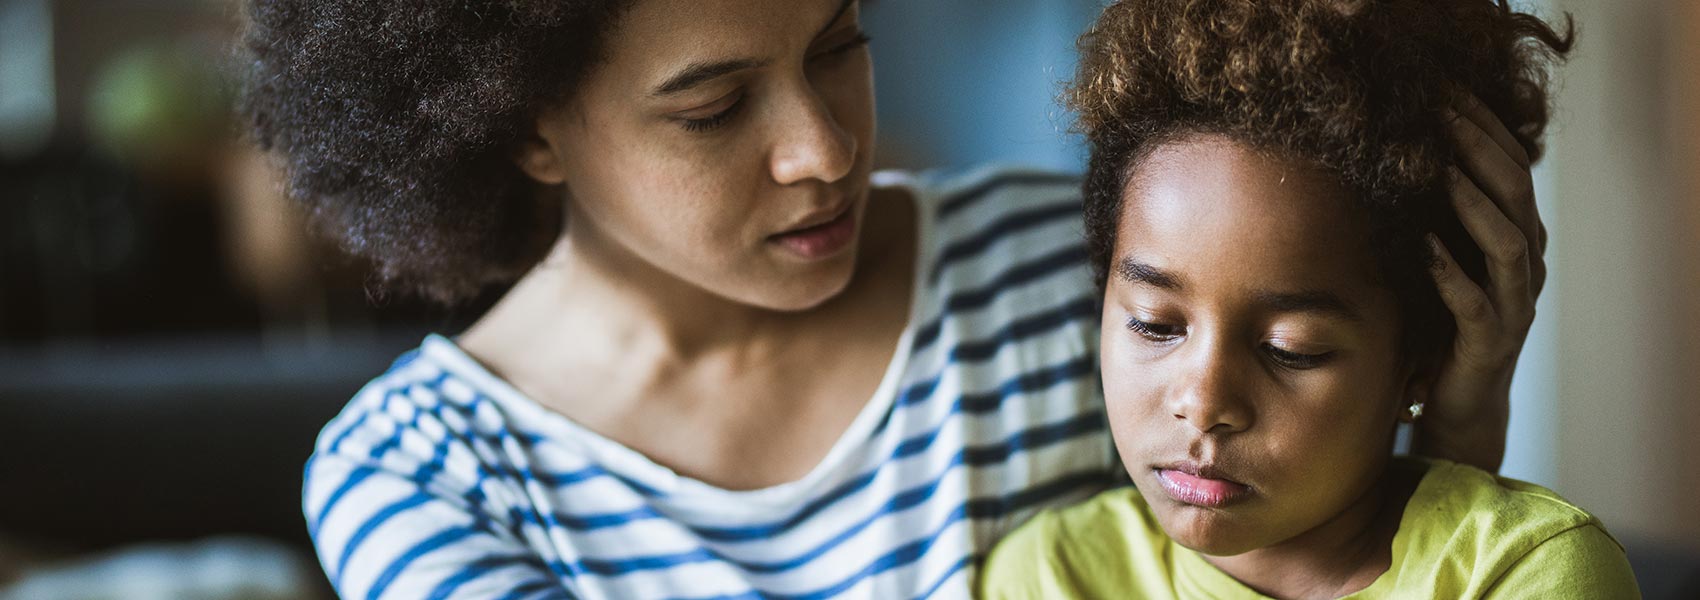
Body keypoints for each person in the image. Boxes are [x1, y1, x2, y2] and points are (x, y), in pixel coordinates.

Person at [239, 0, 1552, 597]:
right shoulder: (421, 479)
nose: (824, 145)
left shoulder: (1077, 284)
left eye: (836, 50)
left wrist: (1448, 421)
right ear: (524, 129)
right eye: (711, 107)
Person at [980, 0, 1639, 598]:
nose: (1205, 404)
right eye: (1155, 326)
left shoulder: (1525, 574)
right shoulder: (1047, 576)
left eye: (1290, 349)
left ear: (1422, 352)